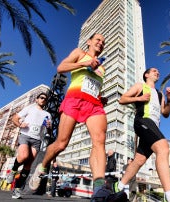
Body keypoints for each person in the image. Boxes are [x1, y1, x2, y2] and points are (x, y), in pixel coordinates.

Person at [29, 33, 126, 202]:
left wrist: (100, 96)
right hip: (74, 100)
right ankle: (42, 165)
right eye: (98, 40)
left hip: (94, 104)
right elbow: (61, 67)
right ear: (89, 42)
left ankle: (99, 190)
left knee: (99, 141)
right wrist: (84, 62)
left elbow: (92, 85)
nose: (101, 43)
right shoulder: (80, 53)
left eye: (103, 42)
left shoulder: (102, 67)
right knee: (61, 143)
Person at [114, 67, 170, 202]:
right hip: (142, 121)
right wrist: (140, 98)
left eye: (158, 71)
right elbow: (122, 99)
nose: (157, 72)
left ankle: (119, 185)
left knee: (139, 160)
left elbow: (165, 113)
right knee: (163, 148)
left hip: (153, 127)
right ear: (146, 75)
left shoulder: (160, 94)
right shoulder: (139, 86)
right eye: (154, 70)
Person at [8, 92, 52, 199]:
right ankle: (13, 170)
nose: (43, 100)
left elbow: (49, 132)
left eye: (45, 99)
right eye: (41, 98)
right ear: (37, 99)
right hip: (25, 135)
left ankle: (17, 189)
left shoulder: (47, 114)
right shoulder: (30, 108)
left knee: (28, 165)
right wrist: (20, 124)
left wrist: (49, 127)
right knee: (23, 156)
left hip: (37, 140)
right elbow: (15, 118)